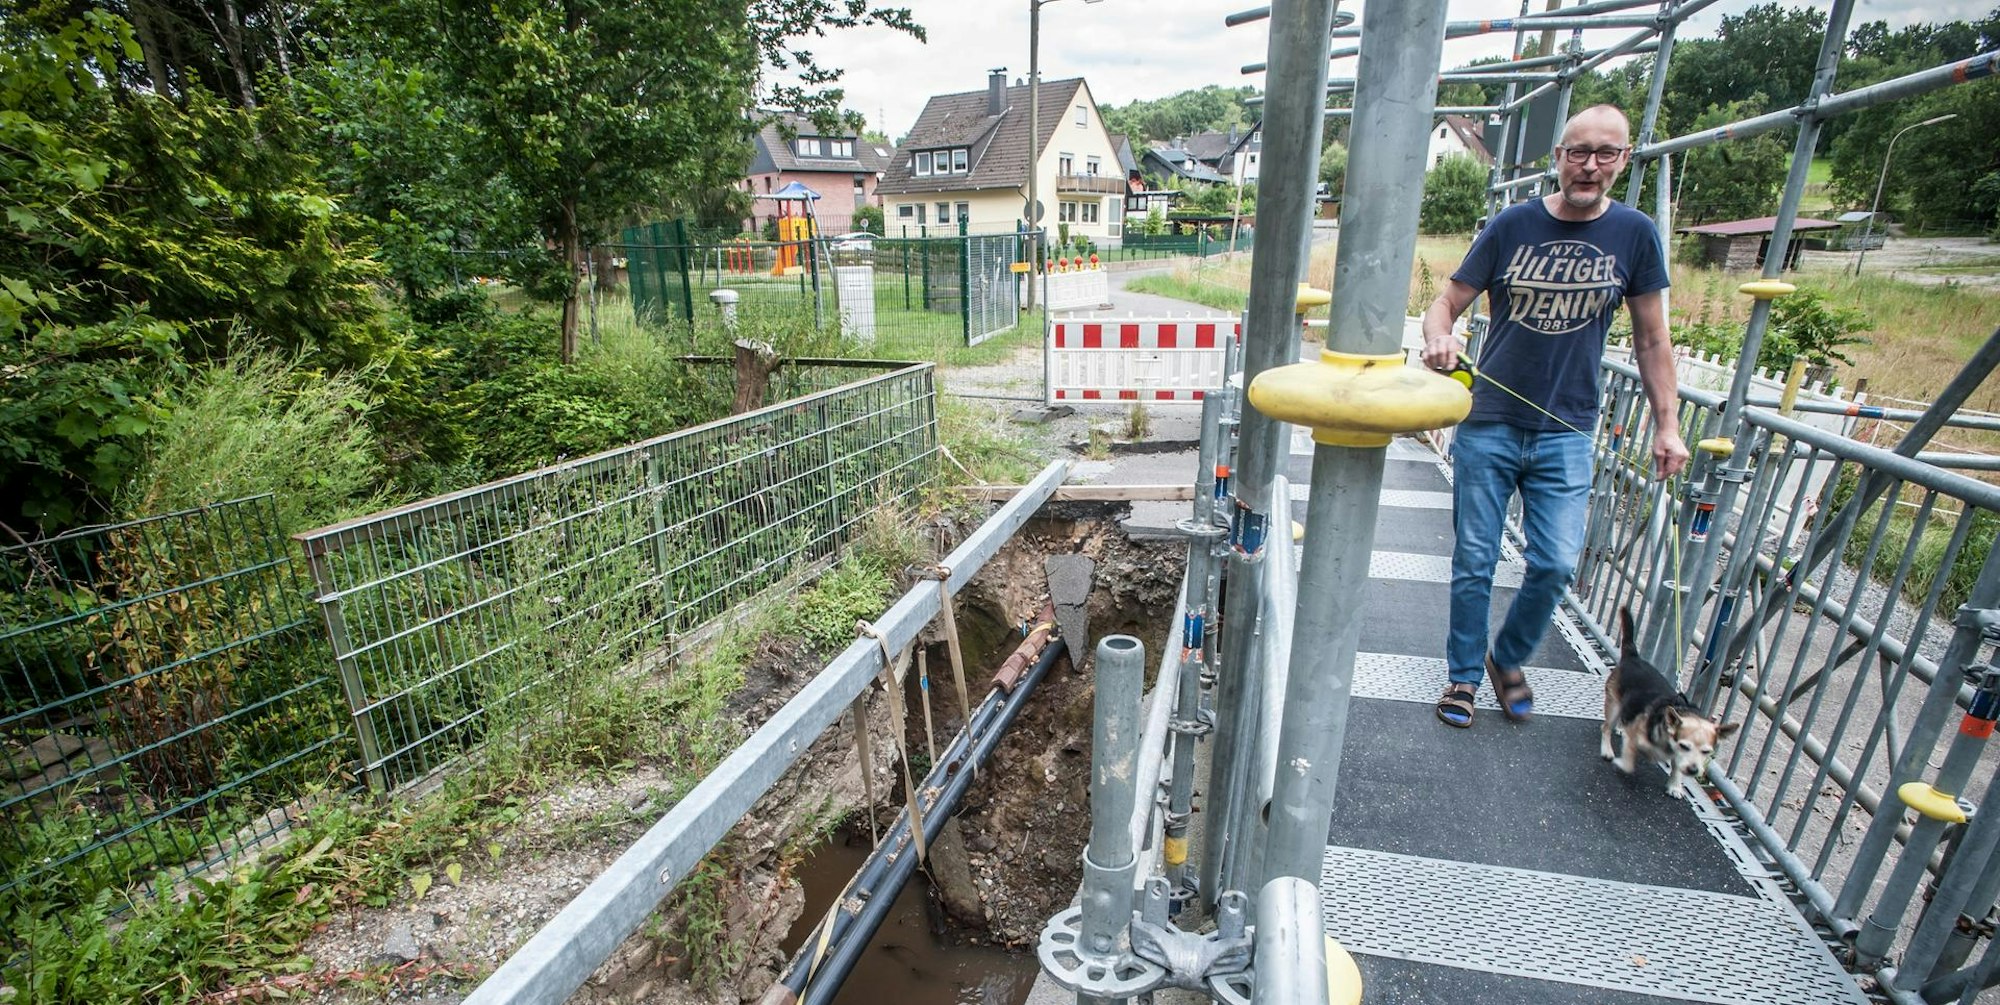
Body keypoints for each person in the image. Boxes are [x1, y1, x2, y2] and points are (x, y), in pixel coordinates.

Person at [1419, 104, 1689, 729]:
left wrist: (1667, 424)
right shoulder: (1512, 226)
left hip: (1567, 429)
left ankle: (1506, 657)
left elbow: (1652, 339)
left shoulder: (1635, 234)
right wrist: (1440, 338)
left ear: (1623, 160)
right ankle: (1463, 677)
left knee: (1556, 563)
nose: (1589, 164)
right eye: (1577, 152)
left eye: (1604, 153)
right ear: (1559, 158)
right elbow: (1446, 302)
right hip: (1488, 422)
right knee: (1475, 561)